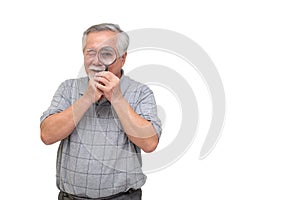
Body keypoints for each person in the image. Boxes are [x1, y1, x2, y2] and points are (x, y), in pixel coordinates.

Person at [40, 23, 162, 200]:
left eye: (106, 53)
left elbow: (150, 143)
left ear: (122, 58)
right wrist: (86, 98)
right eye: (90, 52)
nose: (96, 61)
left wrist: (117, 98)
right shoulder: (68, 89)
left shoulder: (140, 92)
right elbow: (47, 135)